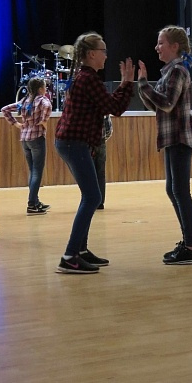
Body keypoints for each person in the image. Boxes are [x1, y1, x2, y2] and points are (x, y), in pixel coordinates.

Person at [55, 32, 134, 274]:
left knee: (90, 196)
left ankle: (80, 250)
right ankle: (70, 256)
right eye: (103, 51)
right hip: (74, 143)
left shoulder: (84, 77)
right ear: (91, 54)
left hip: (72, 142)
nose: (106, 56)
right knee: (92, 197)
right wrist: (126, 83)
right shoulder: (88, 79)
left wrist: (124, 85)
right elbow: (114, 108)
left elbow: (108, 107)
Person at [138, 25, 192, 265]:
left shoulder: (178, 71)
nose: (157, 47)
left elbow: (166, 104)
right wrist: (143, 84)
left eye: (161, 43)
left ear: (175, 46)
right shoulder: (169, 72)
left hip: (180, 138)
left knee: (180, 191)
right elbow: (153, 105)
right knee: (173, 190)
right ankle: (189, 241)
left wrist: (144, 85)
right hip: (172, 138)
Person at [1, 77, 52, 215]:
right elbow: (48, 106)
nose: (46, 89)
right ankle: (31, 204)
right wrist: (44, 121)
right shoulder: (41, 100)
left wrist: (16, 124)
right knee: (37, 172)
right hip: (37, 138)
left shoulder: (24, 101)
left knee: (32, 171)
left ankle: (35, 201)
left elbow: (4, 109)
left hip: (24, 138)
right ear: (40, 89)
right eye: (45, 87)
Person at [94, 115, 113, 210]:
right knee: (101, 173)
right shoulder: (104, 111)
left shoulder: (87, 111)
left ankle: (90, 200)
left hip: (88, 143)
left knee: (89, 172)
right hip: (101, 143)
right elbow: (109, 130)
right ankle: (100, 202)